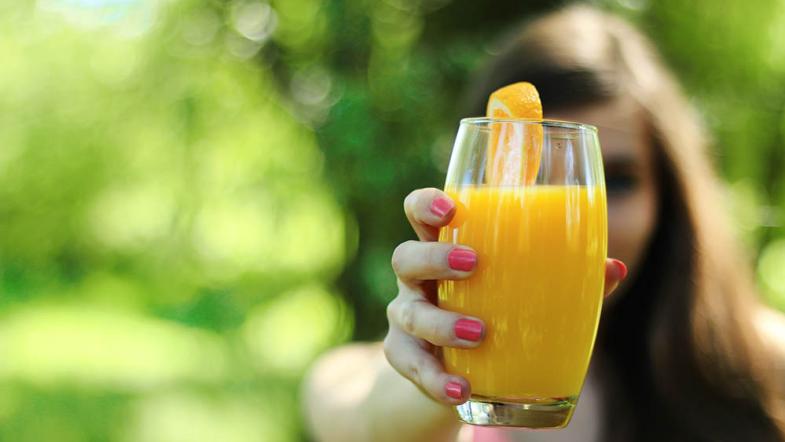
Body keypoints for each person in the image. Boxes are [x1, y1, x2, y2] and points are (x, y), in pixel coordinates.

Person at [302, 5, 785, 441]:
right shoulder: (376, 378)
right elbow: (346, 408)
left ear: (668, 198)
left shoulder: (768, 368)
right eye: (527, 176)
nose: (580, 218)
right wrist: (433, 379)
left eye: (615, 181)